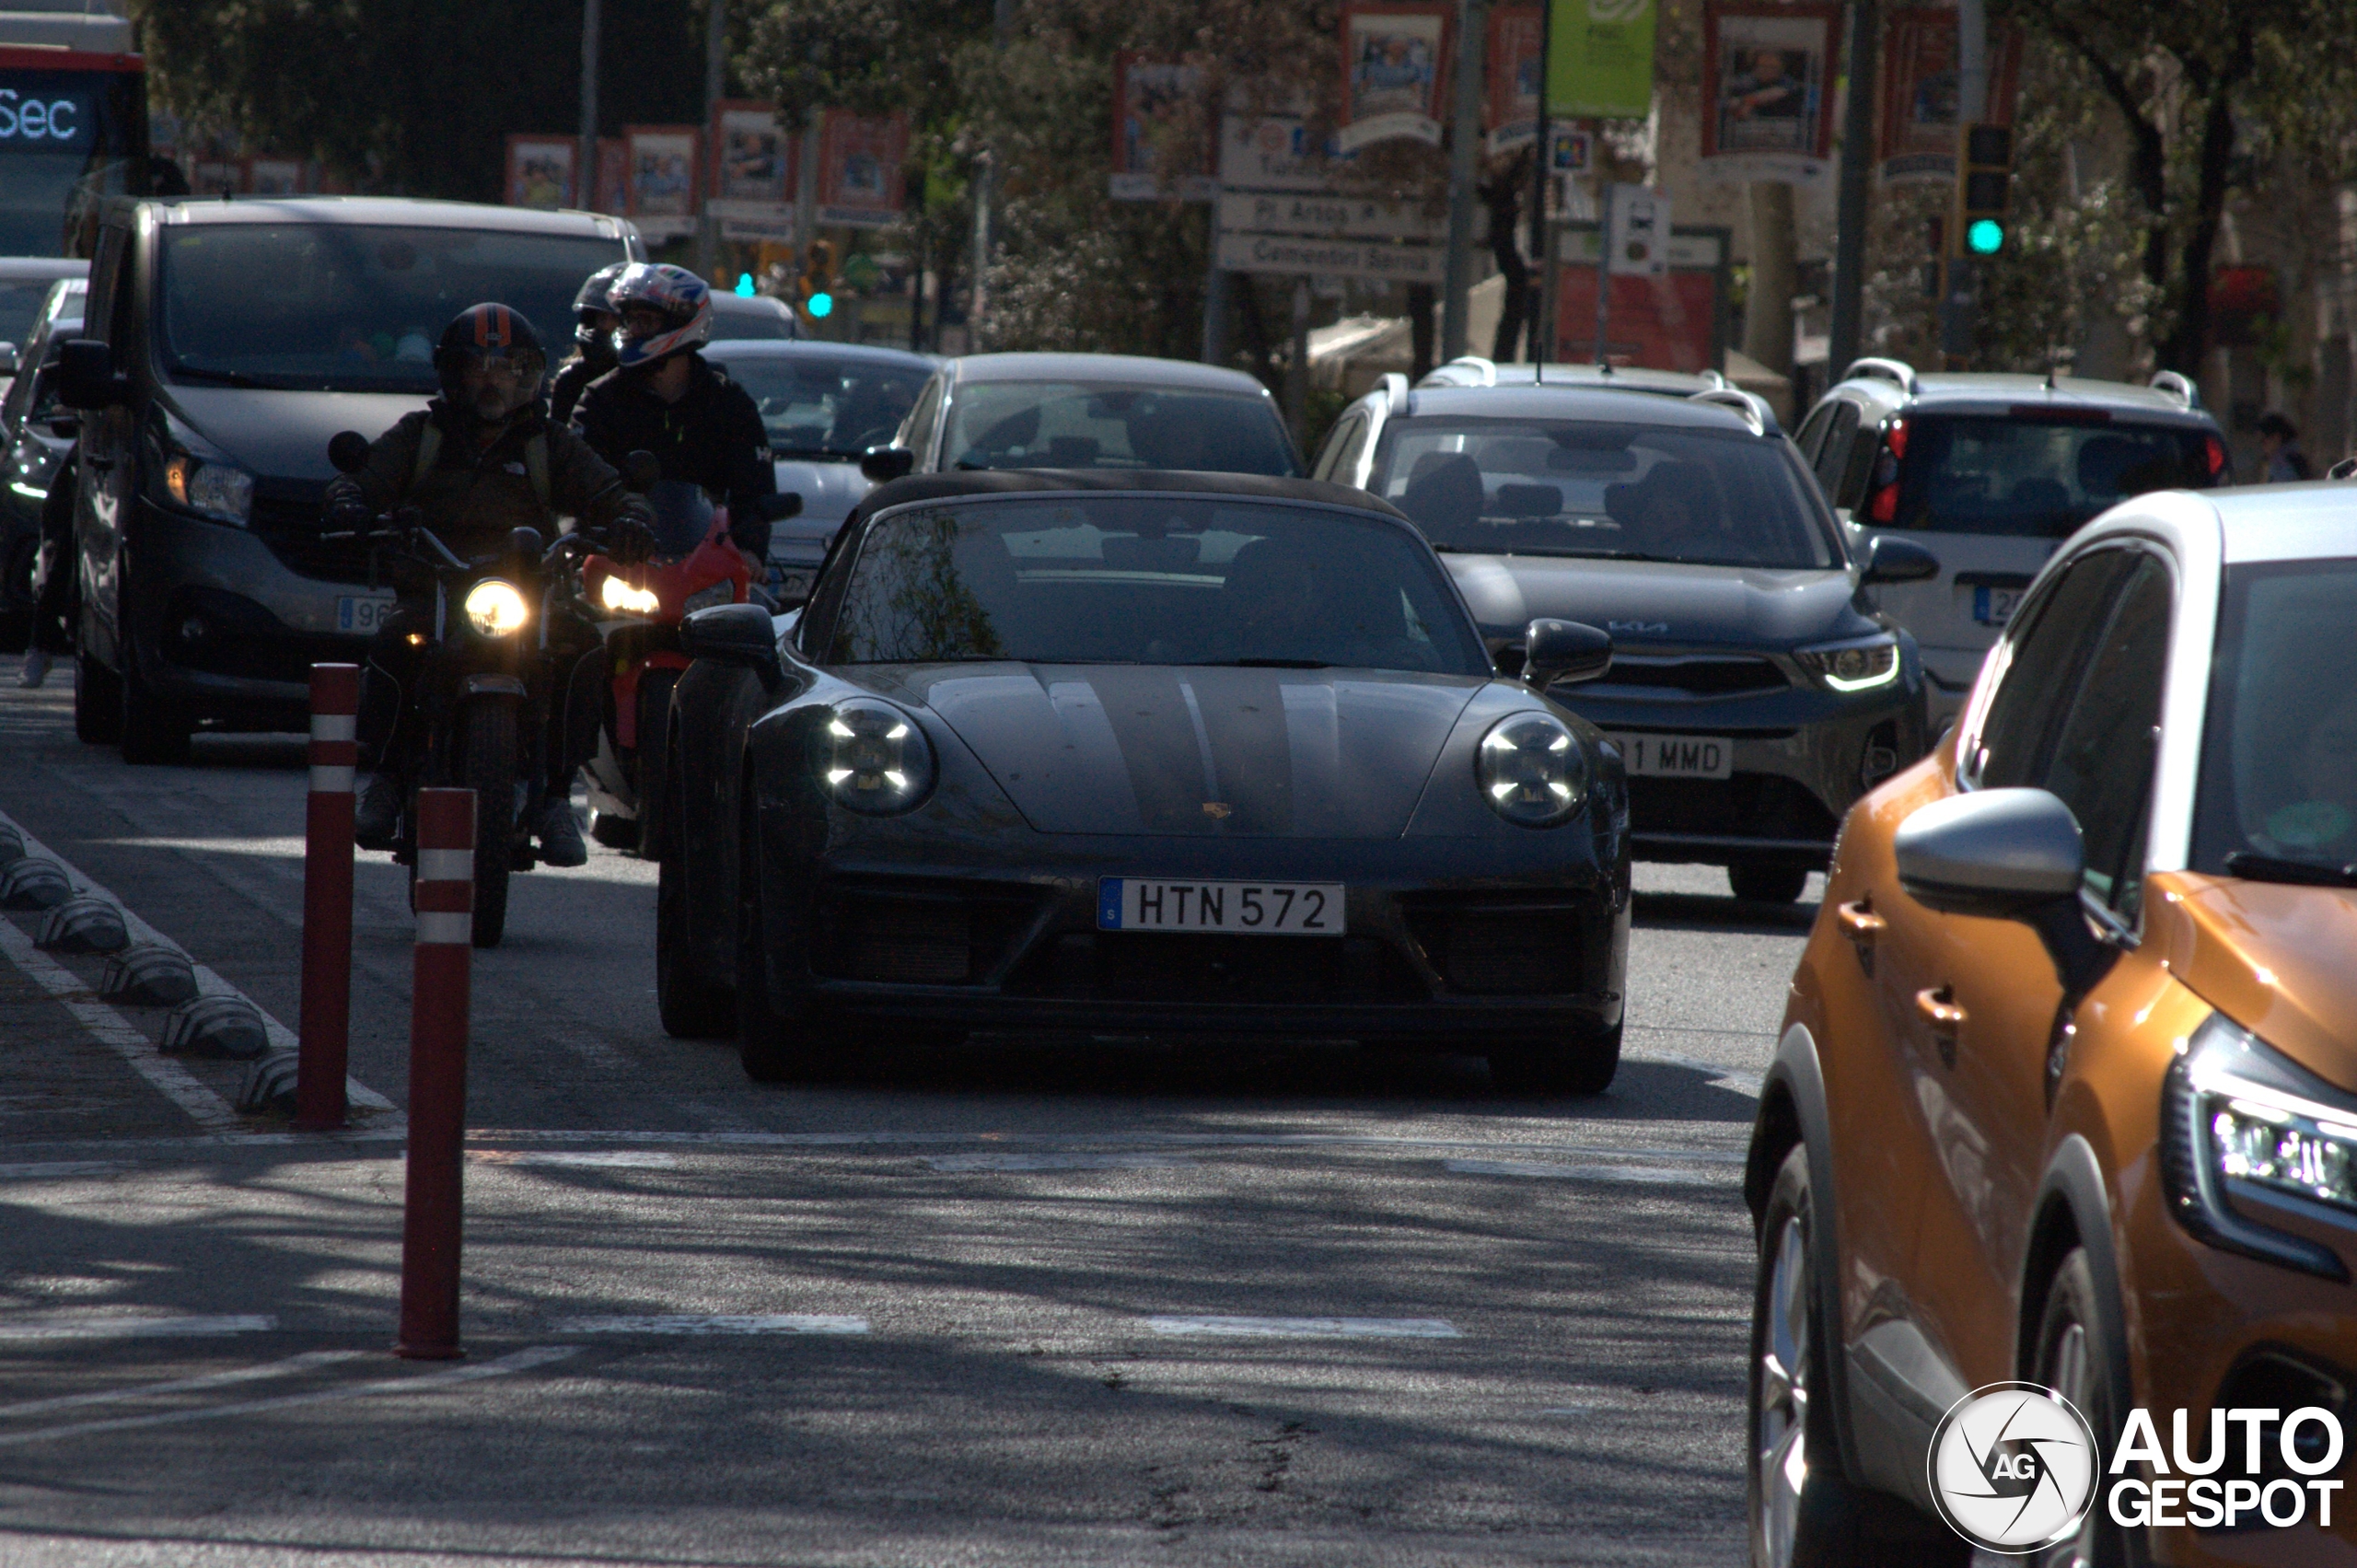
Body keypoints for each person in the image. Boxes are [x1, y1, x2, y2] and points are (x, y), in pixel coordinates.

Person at [326, 303, 655, 867]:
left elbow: (613, 492)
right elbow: (362, 480)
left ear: (530, 376)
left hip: (531, 590)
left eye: (508, 368)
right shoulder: (421, 435)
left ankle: (554, 795)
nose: (492, 380)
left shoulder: (548, 442)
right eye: (477, 366)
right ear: (453, 374)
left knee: (582, 649)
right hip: (436, 588)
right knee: (392, 647)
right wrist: (351, 503)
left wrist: (631, 519)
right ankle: (386, 778)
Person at [572, 262, 776, 563]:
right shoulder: (599, 399)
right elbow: (577, 485)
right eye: (629, 320)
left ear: (682, 321)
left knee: (755, 608)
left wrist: (748, 550)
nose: (634, 330)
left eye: (646, 320)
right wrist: (583, 546)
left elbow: (754, 492)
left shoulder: (729, 402)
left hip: (705, 563)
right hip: (618, 559)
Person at [548, 262, 626, 425]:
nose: (605, 326)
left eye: (615, 318)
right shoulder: (571, 379)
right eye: (601, 317)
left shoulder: (652, 379)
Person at [2258, 412, 2312, 482]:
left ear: (2276, 438)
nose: (2262, 446)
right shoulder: (2297, 455)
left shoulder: (2281, 464)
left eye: (2263, 441)